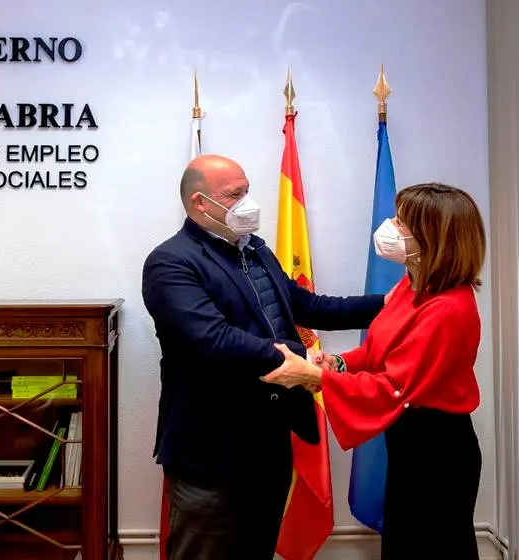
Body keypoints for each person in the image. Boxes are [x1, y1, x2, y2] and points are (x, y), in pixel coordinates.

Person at [141, 154, 389, 560]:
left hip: (269, 441)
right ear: (200, 203)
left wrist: (391, 303)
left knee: (257, 549)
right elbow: (212, 340)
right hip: (211, 449)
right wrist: (300, 357)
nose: (246, 203)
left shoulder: (254, 250)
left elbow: (309, 306)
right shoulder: (171, 262)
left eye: (247, 191)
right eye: (234, 195)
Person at [261, 182, 485, 560]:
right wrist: (341, 363)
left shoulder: (448, 308)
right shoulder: (415, 286)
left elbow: (394, 386)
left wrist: (313, 376)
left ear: (432, 236)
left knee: (435, 546)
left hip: (437, 447)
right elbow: (382, 349)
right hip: (410, 440)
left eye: (401, 222)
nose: (389, 228)